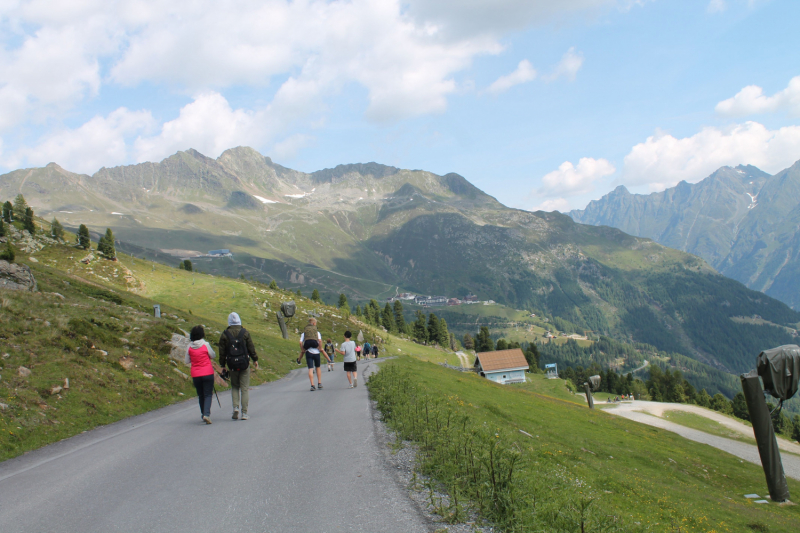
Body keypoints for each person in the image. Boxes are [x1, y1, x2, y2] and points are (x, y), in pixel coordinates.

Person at [219, 312, 258, 420]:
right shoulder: (245, 333)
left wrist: (222, 365)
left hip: (232, 364)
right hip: (244, 363)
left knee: (235, 386)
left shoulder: (225, 334)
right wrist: (255, 359)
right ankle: (244, 413)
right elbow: (251, 347)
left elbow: (222, 351)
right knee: (244, 388)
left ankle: (235, 407)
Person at [185, 325, 216, 424]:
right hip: (207, 373)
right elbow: (213, 355)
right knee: (208, 394)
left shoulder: (189, 347)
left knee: (201, 395)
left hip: (196, 374)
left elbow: (186, 360)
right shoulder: (205, 344)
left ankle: (203, 413)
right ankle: (206, 414)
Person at [298, 318, 330, 391]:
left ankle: (312, 385)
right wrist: (320, 347)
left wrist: (302, 349)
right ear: (314, 323)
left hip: (308, 352)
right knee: (318, 367)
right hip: (317, 352)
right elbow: (320, 340)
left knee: (310, 369)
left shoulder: (304, 333)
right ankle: (319, 383)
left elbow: (300, 342)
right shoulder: (317, 332)